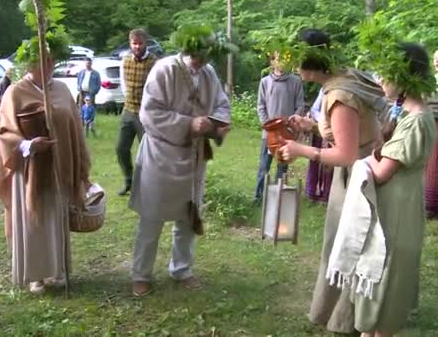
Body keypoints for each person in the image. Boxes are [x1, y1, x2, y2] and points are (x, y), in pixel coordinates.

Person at [278, 29, 387, 334]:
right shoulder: (343, 78)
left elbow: (345, 153)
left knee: (349, 245)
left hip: (358, 179)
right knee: (343, 244)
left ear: (309, 64)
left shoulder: (339, 95)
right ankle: (341, 314)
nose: (293, 67)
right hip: (361, 172)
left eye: (295, 60)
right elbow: (347, 132)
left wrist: (300, 149)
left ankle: (348, 318)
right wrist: (313, 126)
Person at [128, 24, 232, 297]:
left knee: (188, 216)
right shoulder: (165, 69)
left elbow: (221, 104)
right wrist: (188, 124)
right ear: (186, 50)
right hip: (161, 156)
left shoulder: (209, 73)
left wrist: (218, 124)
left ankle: (181, 269)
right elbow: (149, 114)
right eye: (196, 55)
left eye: (205, 55)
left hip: (193, 157)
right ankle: (141, 274)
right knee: (152, 217)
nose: (200, 61)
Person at [344, 42, 436, 337]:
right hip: (391, 207)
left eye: (386, 74)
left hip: (398, 211)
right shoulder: (406, 114)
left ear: (405, 75)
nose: (380, 79)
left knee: (386, 274)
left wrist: (363, 159)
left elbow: (382, 172)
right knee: (378, 270)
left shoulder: (417, 121)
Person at [0, 42, 92, 295]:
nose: (49, 66)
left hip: (59, 165)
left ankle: (56, 270)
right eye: (43, 61)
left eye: (51, 61)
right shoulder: (15, 92)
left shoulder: (60, 89)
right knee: (32, 219)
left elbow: (75, 126)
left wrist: (79, 160)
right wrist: (28, 145)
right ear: (30, 63)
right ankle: (34, 275)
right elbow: (4, 131)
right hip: (28, 170)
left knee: (54, 217)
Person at [253, 52, 305, 202]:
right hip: (268, 133)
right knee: (264, 166)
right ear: (272, 61)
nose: (281, 62)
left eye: (284, 59)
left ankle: (277, 197)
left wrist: (291, 124)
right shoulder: (265, 82)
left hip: (286, 133)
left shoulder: (295, 81)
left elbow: (300, 105)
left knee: (282, 167)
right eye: (278, 58)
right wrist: (267, 124)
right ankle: (258, 197)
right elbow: (261, 105)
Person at [116, 28, 158, 196]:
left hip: (146, 113)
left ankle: (147, 184)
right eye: (134, 43)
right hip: (128, 110)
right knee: (121, 148)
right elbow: (123, 82)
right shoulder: (125, 61)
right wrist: (127, 97)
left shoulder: (154, 62)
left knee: (147, 152)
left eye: (140, 43)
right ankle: (128, 180)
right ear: (130, 43)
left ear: (145, 43)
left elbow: (158, 87)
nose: (137, 46)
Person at [305, 89, 333, 202]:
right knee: (316, 161)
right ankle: (312, 192)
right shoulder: (324, 90)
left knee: (330, 163)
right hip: (320, 128)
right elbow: (314, 109)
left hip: (333, 131)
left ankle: (326, 194)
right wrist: (323, 120)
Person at [424, 50, 438, 218]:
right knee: (432, 162)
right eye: (435, 59)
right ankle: (430, 205)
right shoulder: (429, 81)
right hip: (431, 122)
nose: (437, 62)